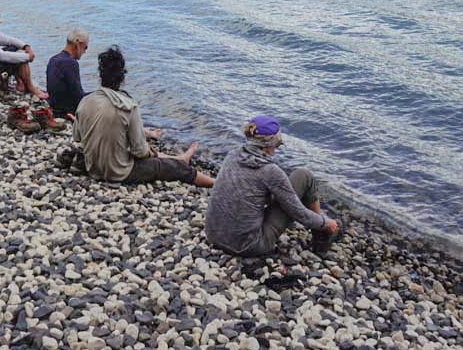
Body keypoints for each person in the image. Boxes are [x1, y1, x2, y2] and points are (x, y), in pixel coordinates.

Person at [73, 46, 214, 188]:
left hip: (92, 168)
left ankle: (181, 158)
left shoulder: (85, 101)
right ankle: (215, 183)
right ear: (122, 77)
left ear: (100, 75)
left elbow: (77, 137)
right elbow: (140, 152)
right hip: (118, 172)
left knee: (131, 147)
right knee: (172, 168)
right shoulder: (128, 106)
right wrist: (150, 152)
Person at [205, 116, 339, 257]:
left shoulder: (232, 155)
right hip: (247, 246)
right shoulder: (270, 171)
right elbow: (298, 213)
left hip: (214, 236)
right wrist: (326, 222)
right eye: (278, 143)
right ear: (271, 143)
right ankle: (322, 233)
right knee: (304, 176)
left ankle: (320, 225)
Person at [46, 29, 89, 122]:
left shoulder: (53, 59)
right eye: (85, 47)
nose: (85, 51)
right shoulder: (71, 63)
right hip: (67, 112)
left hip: (55, 108)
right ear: (78, 44)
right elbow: (78, 96)